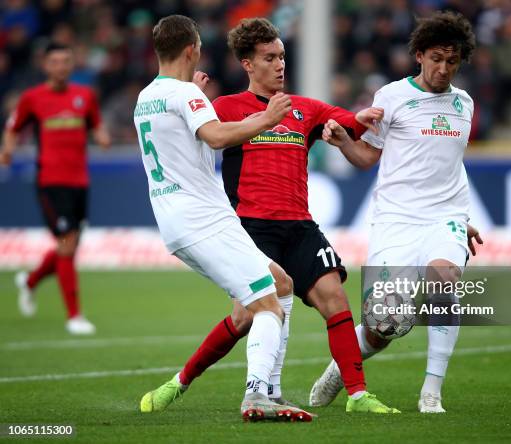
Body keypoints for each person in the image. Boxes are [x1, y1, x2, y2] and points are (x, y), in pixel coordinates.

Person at [143, 17, 399, 415]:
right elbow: (191, 133)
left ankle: (357, 394)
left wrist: (359, 119)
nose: (280, 65)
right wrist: (195, 97)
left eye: (282, 56)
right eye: (269, 58)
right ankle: (182, 381)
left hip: (299, 226)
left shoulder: (304, 109)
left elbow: (347, 119)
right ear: (248, 64)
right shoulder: (224, 108)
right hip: (250, 225)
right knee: (247, 316)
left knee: (335, 295)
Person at [133, 15, 316, 422]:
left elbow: (181, 136)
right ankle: (256, 395)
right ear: (191, 50)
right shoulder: (187, 98)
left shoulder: (146, 98)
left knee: (280, 282)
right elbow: (215, 137)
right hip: (205, 219)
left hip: (175, 223)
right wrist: (266, 120)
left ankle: (272, 387)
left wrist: (193, 97)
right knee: (268, 305)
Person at [309, 11, 483, 414]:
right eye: (436, 58)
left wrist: (460, 221)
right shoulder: (391, 97)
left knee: (445, 280)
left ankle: (431, 392)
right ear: (419, 55)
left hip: (445, 216)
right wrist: (342, 144)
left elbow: (447, 163)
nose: (443, 68)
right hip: (396, 220)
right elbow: (368, 158)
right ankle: (339, 369)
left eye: (452, 60)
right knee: (384, 325)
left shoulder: (465, 103)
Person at [0, 43, 111, 335]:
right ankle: (74, 316)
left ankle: (30, 281)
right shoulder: (32, 98)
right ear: (45, 65)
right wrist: (7, 150)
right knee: (68, 243)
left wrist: (101, 136)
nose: (61, 66)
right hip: (50, 181)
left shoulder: (84, 96)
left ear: (72, 64)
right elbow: (12, 128)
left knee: (68, 247)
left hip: (80, 181)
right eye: (55, 61)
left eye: (66, 60)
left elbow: (96, 124)